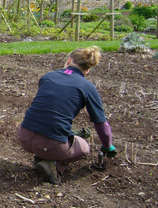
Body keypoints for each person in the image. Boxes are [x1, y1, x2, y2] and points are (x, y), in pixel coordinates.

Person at [17, 46, 117, 185]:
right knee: (84, 148)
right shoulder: (87, 87)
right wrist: (107, 146)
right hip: (51, 145)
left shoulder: (47, 77)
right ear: (87, 70)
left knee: (51, 136)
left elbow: (47, 111)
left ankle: (42, 156)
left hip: (24, 138)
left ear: (69, 60)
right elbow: (101, 123)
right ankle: (54, 165)